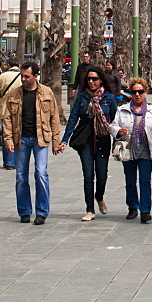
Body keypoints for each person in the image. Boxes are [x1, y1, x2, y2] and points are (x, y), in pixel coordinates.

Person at [2, 62, 65, 224]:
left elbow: (54, 118)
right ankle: (24, 211)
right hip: (20, 139)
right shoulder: (14, 94)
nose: (23, 79)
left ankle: (42, 212)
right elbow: (7, 118)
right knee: (21, 176)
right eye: (22, 76)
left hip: (40, 139)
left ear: (35, 76)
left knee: (41, 173)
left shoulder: (46, 92)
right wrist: (8, 139)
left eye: (26, 76)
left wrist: (56, 141)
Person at [62, 65, 117, 221]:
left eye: (95, 79)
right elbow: (73, 118)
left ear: (101, 80)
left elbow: (114, 120)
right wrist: (65, 139)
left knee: (102, 175)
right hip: (85, 139)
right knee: (88, 175)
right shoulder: (82, 97)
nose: (91, 82)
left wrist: (119, 139)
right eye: (89, 79)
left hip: (103, 139)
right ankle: (90, 209)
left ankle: (99, 196)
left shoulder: (108, 98)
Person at [110, 77, 152, 222]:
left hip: (146, 148)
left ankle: (145, 210)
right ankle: (132, 206)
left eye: (140, 91)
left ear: (145, 93)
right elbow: (113, 125)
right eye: (134, 92)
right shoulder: (122, 110)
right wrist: (119, 131)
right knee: (130, 180)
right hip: (128, 149)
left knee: (145, 180)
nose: (137, 94)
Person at [0, 63, 21, 169]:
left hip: (5, 109)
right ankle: (17, 160)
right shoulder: (23, 76)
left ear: (9, 65)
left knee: (6, 135)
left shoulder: (3, 76)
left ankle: (8, 161)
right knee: (18, 134)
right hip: (19, 110)